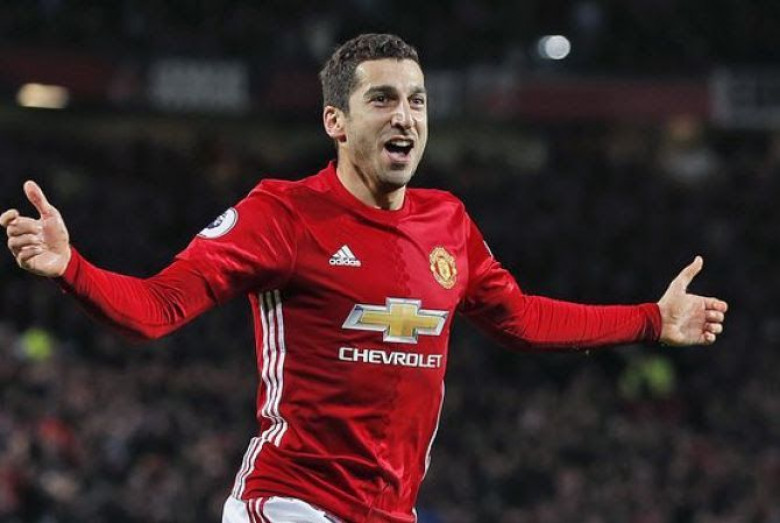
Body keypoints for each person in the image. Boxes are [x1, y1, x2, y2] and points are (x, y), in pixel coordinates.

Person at [1, 33, 727, 523]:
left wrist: (650, 319)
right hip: (289, 503)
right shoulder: (282, 214)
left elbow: (523, 319)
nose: (404, 115)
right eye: (382, 99)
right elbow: (158, 307)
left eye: (416, 100)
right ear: (336, 122)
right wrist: (72, 268)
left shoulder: (448, 222)